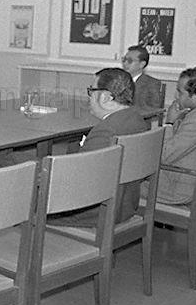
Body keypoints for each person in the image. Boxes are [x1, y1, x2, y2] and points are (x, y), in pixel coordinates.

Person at [49, 68, 148, 227]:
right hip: (125, 206)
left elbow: (75, 178)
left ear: (105, 97)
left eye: (91, 91)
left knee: (17, 192)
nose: (88, 97)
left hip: (93, 212)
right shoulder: (137, 120)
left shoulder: (107, 131)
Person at [144, 67, 196, 212]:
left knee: (123, 184)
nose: (176, 96)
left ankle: (133, 230)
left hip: (183, 189)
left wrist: (169, 123)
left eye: (180, 92)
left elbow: (165, 156)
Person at [122, 45, 163, 109]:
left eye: (130, 60)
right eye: (124, 59)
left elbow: (154, 110)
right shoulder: (118, 80)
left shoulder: (152, 83)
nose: (125, 63)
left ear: (142, 64)